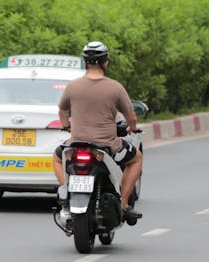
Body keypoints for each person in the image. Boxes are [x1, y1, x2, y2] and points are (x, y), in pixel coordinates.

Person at [52, 41, 143, 220]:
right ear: (106, 63)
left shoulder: (73, 86)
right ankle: (124, 203)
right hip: (108, 146)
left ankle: (66, 192)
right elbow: (130, 116)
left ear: (85, 63)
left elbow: (62, 111)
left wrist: (67, 126)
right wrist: (133, 129)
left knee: (57, 157)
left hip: (76, 144)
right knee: (136, 159)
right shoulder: (115, 88)